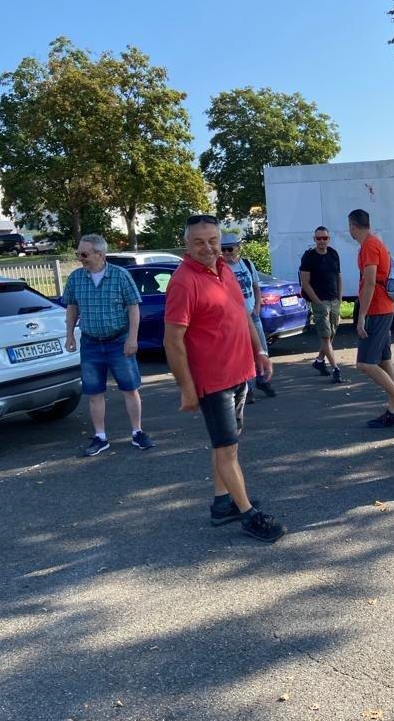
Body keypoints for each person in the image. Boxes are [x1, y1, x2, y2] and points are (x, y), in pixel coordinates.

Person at [163, 215, 284, 542]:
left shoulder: (225, 269)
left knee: (226, 444)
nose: (208, 248)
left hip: (239, 372)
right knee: (227, 448)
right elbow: (172, 341)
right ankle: (248, 514)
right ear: (186, 244)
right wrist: (187, 388)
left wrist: (260, 352)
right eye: (199, 242)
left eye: (213, 241)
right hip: (213, 381)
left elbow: (242, 314)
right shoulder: (183, 282)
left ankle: (222, 503)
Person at [63, 233, 154, 457]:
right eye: (78, 254)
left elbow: (134, 307)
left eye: (84, 254)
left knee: (130, 389)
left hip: (118, 341)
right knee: (94, 392)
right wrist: (70, 335)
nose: (80, 258)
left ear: (100, 254)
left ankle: (137, 432)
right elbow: (72, 308)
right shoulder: (76, 278)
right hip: (90, 343)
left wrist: (133, 338)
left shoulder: (120, 275)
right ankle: (100, 437)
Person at [348, 209, 394, 432]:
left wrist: (361, 317)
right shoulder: (375, 243)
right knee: (385, 361)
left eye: (350, 227)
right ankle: (393, 411)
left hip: (376, 310)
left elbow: (370, 282)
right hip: (385, 308)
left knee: (365, 364)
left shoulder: (369, 245)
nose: (350, 231)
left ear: (353, 226)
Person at [221, 233, 276, 401]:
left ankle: (263, 381)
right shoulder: (221, 267)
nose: (226, 253)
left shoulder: (246, 264)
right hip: (235, 318)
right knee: (243, 354)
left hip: (253, 314)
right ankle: (248, 388)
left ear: (238, 248)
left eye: (230, 249)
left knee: (261, 350)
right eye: (223, 250)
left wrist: (257, 307)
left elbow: (256, 287)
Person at [299, 226, 343, 383]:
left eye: (325, 238)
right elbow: (305, 283)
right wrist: (317, 301)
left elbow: (338, 277)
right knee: (326, 336)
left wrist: (339, 298)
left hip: (334, 300)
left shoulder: (333, 254)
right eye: (319, 238)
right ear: (314, 239)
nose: (322, 241)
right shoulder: (309, 257)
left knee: (332, 333)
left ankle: (319, 361)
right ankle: (336, 369)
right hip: (320, 302)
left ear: (328, 239)